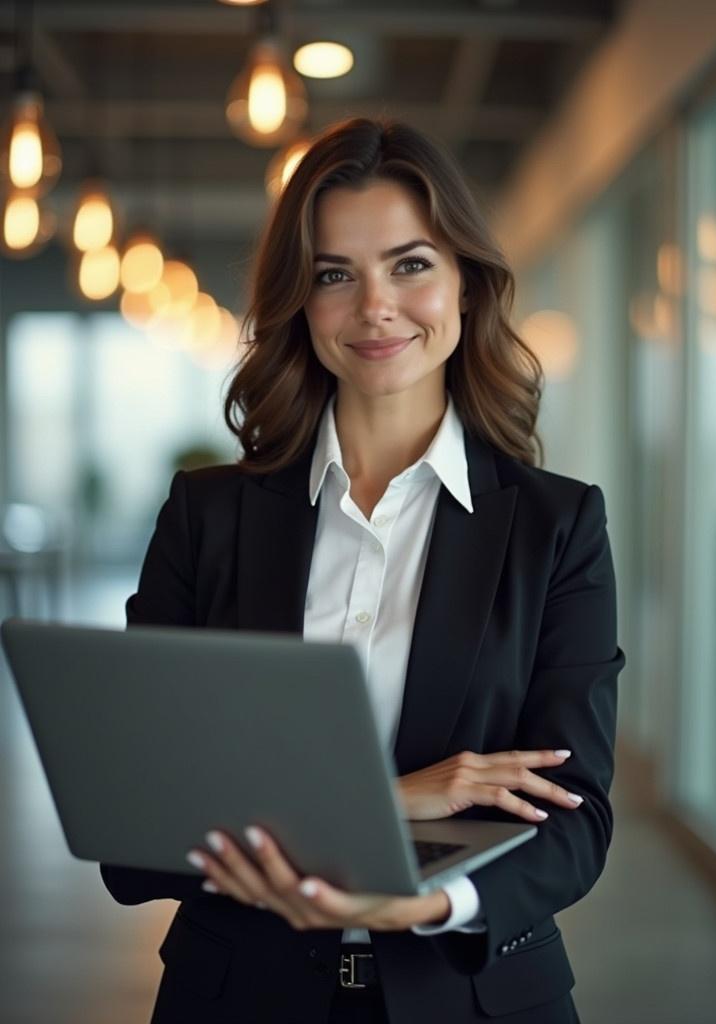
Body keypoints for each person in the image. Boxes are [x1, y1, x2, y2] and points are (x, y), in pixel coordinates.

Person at [99, 116, 626, 1024]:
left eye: (411, 264)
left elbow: (573, 822)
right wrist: (390, 801)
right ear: (300, 304)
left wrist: (422, 902)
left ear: (466, 284)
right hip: (237, 999)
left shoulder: (558, 525)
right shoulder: (207, 516)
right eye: (335, 275)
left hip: (476, 996)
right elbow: (135, 835)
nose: (375, 306)